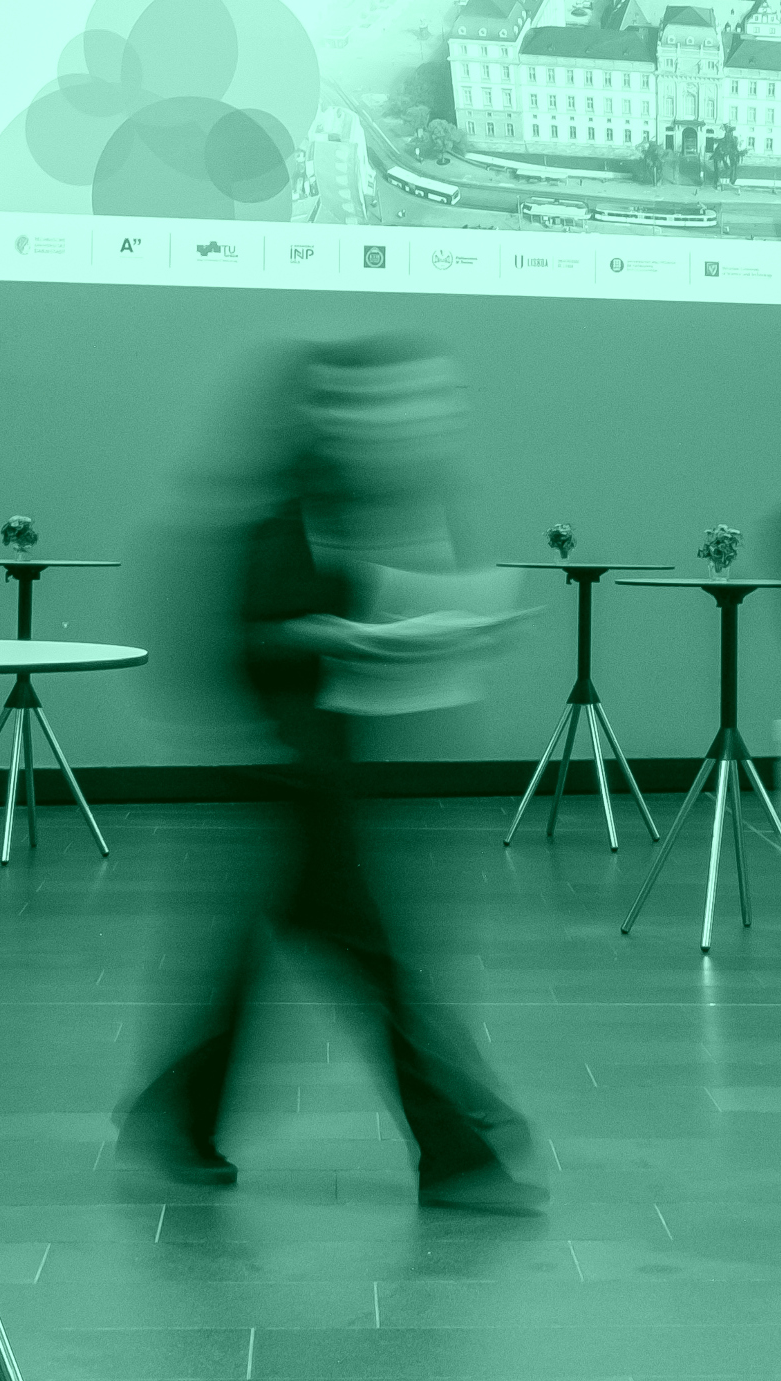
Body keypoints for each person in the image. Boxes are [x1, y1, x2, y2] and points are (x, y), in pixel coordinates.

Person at [117, 335, 542, 1213]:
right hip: (286, 768)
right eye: (392, 402)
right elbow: (247, 636)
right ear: (332, 410)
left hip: (321, 767)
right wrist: (342, 639)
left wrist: (444, 633)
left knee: (296, 956)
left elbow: (374, 606)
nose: (418, 421)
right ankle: (459, 1148)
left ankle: (178, 1119)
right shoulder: (284, 507)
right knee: (371, 958)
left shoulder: (362, 499)